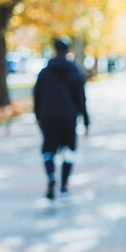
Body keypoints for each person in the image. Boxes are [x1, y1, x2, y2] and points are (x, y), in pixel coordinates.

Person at [34, 38, 89, 200]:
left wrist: (38, 115)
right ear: (68, 50)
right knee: (69, 150)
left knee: (48, 150)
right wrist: (86, 120)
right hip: (69, 118)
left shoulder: (45, 72)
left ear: (55, 50)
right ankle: (64, 184)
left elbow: (37, 96)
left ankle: (51, 176)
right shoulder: (75, 72)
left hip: (48, 117)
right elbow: (81, 99)